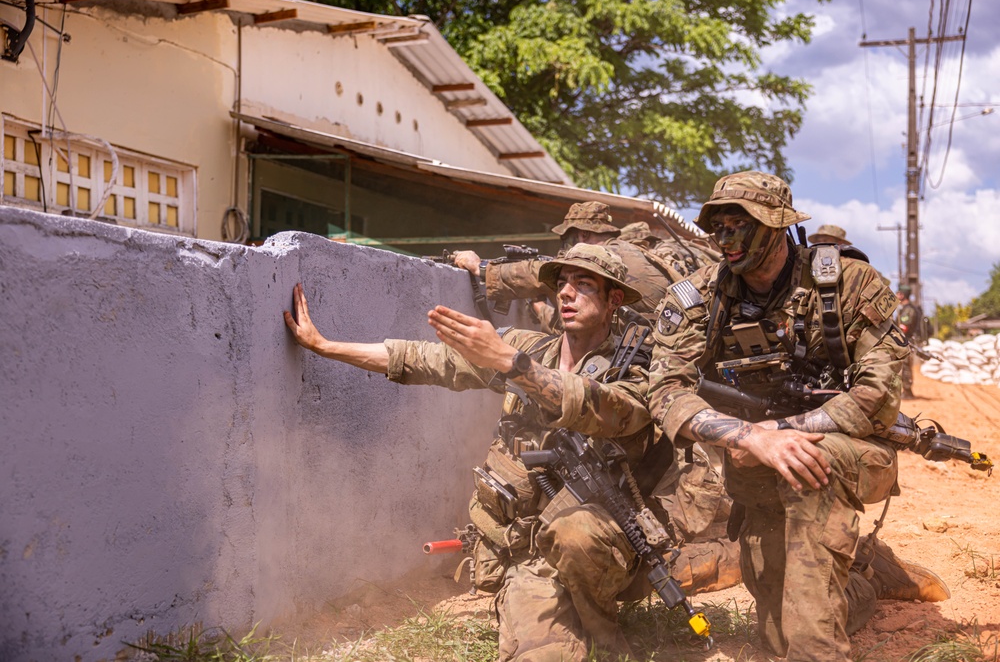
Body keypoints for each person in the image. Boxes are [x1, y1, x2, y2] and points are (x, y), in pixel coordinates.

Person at [283, 244, 734, 661]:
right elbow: (424, 359)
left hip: (602, 546)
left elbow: (607, 409)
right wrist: (325, 346)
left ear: (615, 300)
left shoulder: (637, 368)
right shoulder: (527, 346)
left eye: (585, 285)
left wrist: (512, 365)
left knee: (576, 535)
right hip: (526, 549)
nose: (568, 294)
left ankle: (607, 638)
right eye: (562, 284)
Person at [646, 171, 949, 661]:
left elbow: (878, 395)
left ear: (776, 227)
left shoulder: (848, 283)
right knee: (777, 628)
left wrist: (782, 432)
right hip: (752, 461)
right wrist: (745, 438)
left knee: (810, 464)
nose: (725, 240)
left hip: (847, 451)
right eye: (717, 227)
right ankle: (864, 577)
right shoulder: (700, 297)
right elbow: (663, 388)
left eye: (739, 225)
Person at [451, 201, 718, 329]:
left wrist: (483, 267)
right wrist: (539, 304)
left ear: (581, 235)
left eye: (566, 238)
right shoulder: (630, 251)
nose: (564, 247)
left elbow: (533, 272)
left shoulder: (608, 256)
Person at [896, 284, 925, 399]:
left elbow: (904, 327)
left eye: (898, 293)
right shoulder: (905, 309)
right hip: (905, 341)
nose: (896, 295)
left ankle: (908, 391)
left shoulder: (908, 310)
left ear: (903, 295)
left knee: (906, 365)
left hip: (907, 341)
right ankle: (907, 390)